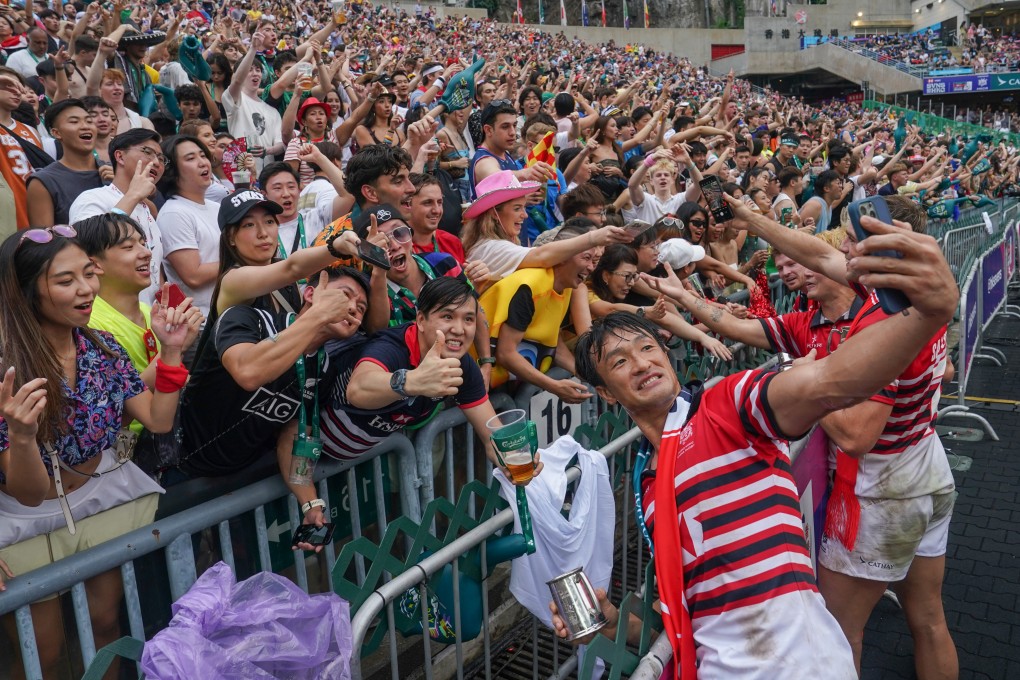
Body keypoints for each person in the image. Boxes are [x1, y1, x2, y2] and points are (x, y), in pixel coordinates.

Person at [555, 205, 959, 677]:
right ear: (603, 392)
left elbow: (829, 384)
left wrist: (930, 312)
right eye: (620, 361)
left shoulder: (726, 405)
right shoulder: (648, 483)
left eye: (647, 348)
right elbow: (685, 611)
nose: (642, 363)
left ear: (667, 354)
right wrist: (604, 621)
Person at [722, 193, 960, 679]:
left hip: (883, 492)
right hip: (926, 467)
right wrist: (752, 220)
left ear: (890, 249)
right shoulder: (909, 292)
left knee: (839, 631)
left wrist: (805, 374)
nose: (842, 255)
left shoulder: (882, 321)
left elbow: (855, 436)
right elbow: (817, 253)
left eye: (854, 243)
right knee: (930, 617)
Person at [0, 226, 190, 677]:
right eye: (65, 281)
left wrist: (172, 352)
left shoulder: (101, 349)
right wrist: (23, 436)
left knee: (105, 625)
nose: (86, 289)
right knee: (41, 652)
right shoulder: (6, 366)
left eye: (89, 274)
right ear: (27, 291)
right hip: (23, 520)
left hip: (100, 502)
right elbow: (29, 492)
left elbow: (157, 420)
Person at [323, 277, 525, 475]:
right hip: (312, 453)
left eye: (468, 319)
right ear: (420, 320)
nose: (459, 329)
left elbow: (493, 435)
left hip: (356, 460)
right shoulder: (391, 347)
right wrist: (411, 381)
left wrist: (514, 459)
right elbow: (358, 389)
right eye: (447, 316)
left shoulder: (461, 364)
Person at [478, 224, 599, 400]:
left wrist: (584, 374)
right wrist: (554, 386)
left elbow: (552, 339)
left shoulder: (565, 287)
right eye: (586, 258)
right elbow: (506, 353)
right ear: (563, 255)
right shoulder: (530, 285)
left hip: (502, 381)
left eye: (594, 261)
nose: (591, 267)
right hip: (476, 375)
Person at [461, 170, 631, 281]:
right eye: (517, 208)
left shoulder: (491, 243)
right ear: (494, 214)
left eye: (524, 207)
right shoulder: (490, 247)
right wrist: (594, 238)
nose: (525, 215)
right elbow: (542, 256)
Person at [69, 128, 164, 303]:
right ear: (120, 157)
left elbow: (156, 272)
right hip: (107, 319)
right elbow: (85, 246)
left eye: (161, 158)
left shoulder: (148, 210)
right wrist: (133, 195)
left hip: (146, 318)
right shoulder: (92, 198)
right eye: (148, 152)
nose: (156, 162)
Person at [157, 134, 219, 316]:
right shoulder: (174, 213)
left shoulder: (217, 207)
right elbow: (193, 275)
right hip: (202, 321)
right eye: (190, 158)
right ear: (172, 171)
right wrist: (238, 260)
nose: (203, 163)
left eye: (203, 155)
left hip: (229, 313)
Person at [25, 98, 107, 226]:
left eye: (89, 121)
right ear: (56, 133)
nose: (85, 126)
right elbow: (43, 241)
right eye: (74, 122)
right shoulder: (43, 182)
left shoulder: (114, 171)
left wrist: (121, 188)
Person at [223, 29, 284, 173]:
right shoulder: (234, 99)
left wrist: (268, 150)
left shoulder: (272, 111)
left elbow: (280, 143)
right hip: (240, 173)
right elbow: (237, 81)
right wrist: (253, 48)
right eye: (250, 70)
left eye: (258, 70)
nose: (255, 73)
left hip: (266, 175)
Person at [468, 99, 550, 196]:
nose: (512, 132)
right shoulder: (484, 161)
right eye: (505, 126)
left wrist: (523, 198)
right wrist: (525, 173)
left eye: (514, 125)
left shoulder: (502, 151)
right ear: (488, 130)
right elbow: (496, 177)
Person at [406, 172, 465, 264]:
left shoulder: (451, 242)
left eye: (439, 202)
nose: (437, 210)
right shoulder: (397, 247)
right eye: (428, 202)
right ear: (408, 204)